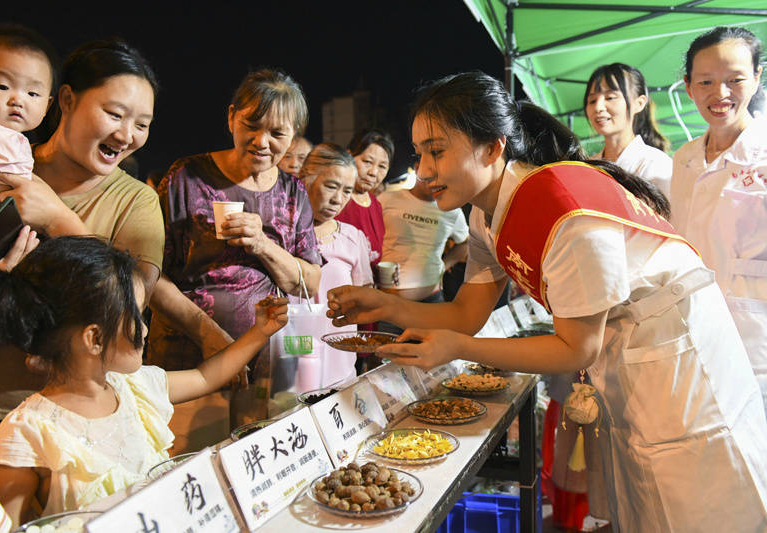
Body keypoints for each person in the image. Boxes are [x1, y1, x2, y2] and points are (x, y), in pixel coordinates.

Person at [328, 71, 767, 531]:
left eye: (437, 151)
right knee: (646, 497)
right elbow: (466, 313)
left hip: (677, 351)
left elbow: (577, 348)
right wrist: (383, 306)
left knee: (698, 499)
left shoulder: (561, 204)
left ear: (494, 146)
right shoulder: (484, 215)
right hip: (629, 350)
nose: (423, 170)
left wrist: (456, 348)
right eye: (420, 154)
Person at [0, 39, 233, 463]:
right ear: (67, 101)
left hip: (74, 423)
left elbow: (128, 306)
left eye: (142, 124)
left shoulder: (136, 202)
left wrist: (56, 217)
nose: (127, 135)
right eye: (114, 114)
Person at [0, 236, 287, 526]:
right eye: (136, 317)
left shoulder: (133, 388)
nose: (145, 329)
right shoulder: (25, 434)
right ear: (93, 338)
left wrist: (260, 332)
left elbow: (206, 377)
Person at [151, 69, 322, 423]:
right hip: (190, 356)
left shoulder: (293, 192)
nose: (262, 141)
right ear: (231, 118)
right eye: (252, 125)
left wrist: (262, 243)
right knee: (192, 459)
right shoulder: (186, 178)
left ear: (293, 137)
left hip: (272, 360)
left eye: (277, 133)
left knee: (264, 454)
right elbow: (151, 274)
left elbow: (309, 281)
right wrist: (210, 336)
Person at [671, 26, 767, 412]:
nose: (720, 94)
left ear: (758, 77)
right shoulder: (685, 159)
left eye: (735, 80)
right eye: (706, 81)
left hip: (755, 340)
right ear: (688, 86)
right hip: (695, 332)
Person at [0, 24, 57, 267]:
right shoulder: (3, 139)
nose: (17, 100)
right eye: (3, 87)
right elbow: (24, 189)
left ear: (47, 106)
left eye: (32, 94)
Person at [298, 143, 372, 386]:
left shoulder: (352, 238)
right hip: (292, 360)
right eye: (331, 186)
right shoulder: (281, 236)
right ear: (305, 179)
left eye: (347, 190)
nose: (338, 199)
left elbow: (365, 296)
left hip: (340, 365)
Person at [377, 172, 468, 327]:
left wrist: (443, 267)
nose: (436, 182)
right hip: (388, 303)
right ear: (418, 167)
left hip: (431, 302)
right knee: (385, 350)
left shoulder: (451, 211)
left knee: (433, 350)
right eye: (432, 175)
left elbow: (465, 244)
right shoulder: (386, 199)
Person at [584, 63, 673, 198]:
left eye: (610, 97)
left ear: (639, 103)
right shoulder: (587, 167)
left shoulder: (656, 164)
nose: (598, 107)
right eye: (592, 100)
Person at [335, 128, 393, 267]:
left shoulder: (376, 205)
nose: (374, 172)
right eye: (367, 161)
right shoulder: (335, 201)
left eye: (382, 166)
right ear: (349, 156)